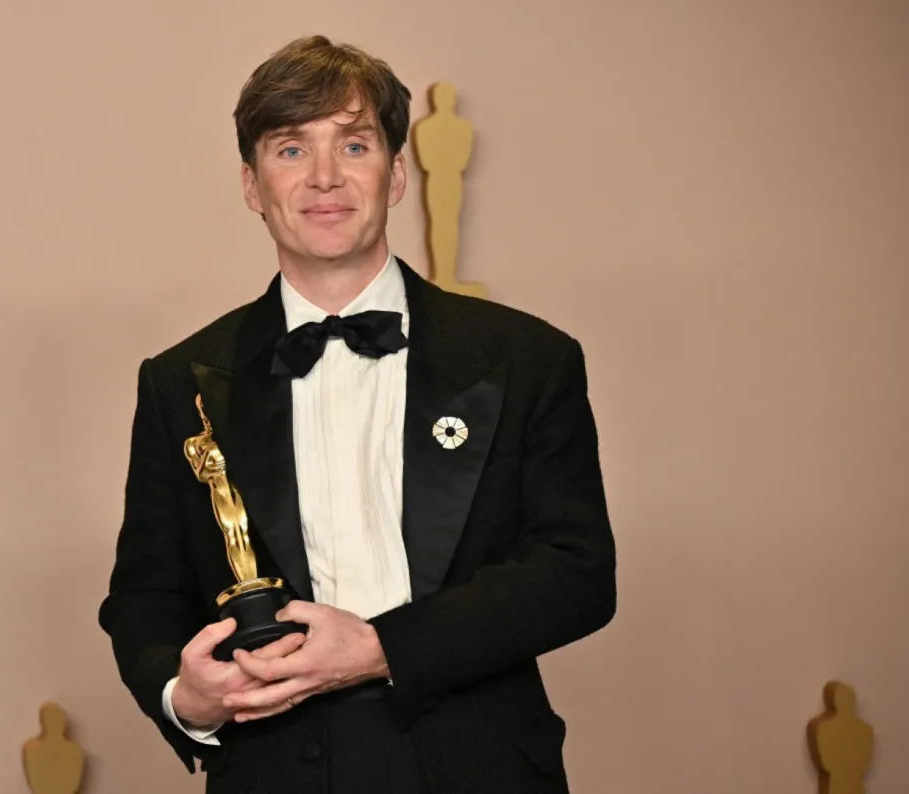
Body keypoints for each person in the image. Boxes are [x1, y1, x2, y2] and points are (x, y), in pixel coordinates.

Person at [98, 34, 616, 794]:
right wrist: (186, 700)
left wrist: (383, 647)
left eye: (353, 143)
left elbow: (576, 575)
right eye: (290, 150)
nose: (325, 178)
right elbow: (144, 597)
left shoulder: (529, 357)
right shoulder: (181, 381)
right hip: (272, 770)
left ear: (397, 171)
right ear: (252, 185)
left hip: (478, 767)